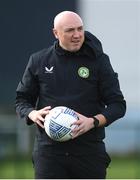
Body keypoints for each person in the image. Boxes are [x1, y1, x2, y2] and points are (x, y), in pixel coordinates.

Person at [15, 11, 126, 179]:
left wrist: (93, 121)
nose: (77, 35)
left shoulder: (99, 61)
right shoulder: (39, 60)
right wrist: (33, 113)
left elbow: (118, 105)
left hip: (89, 153)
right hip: (49, 154)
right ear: (56, 33)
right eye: (70, 30)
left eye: (80, 29)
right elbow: (21, 100)